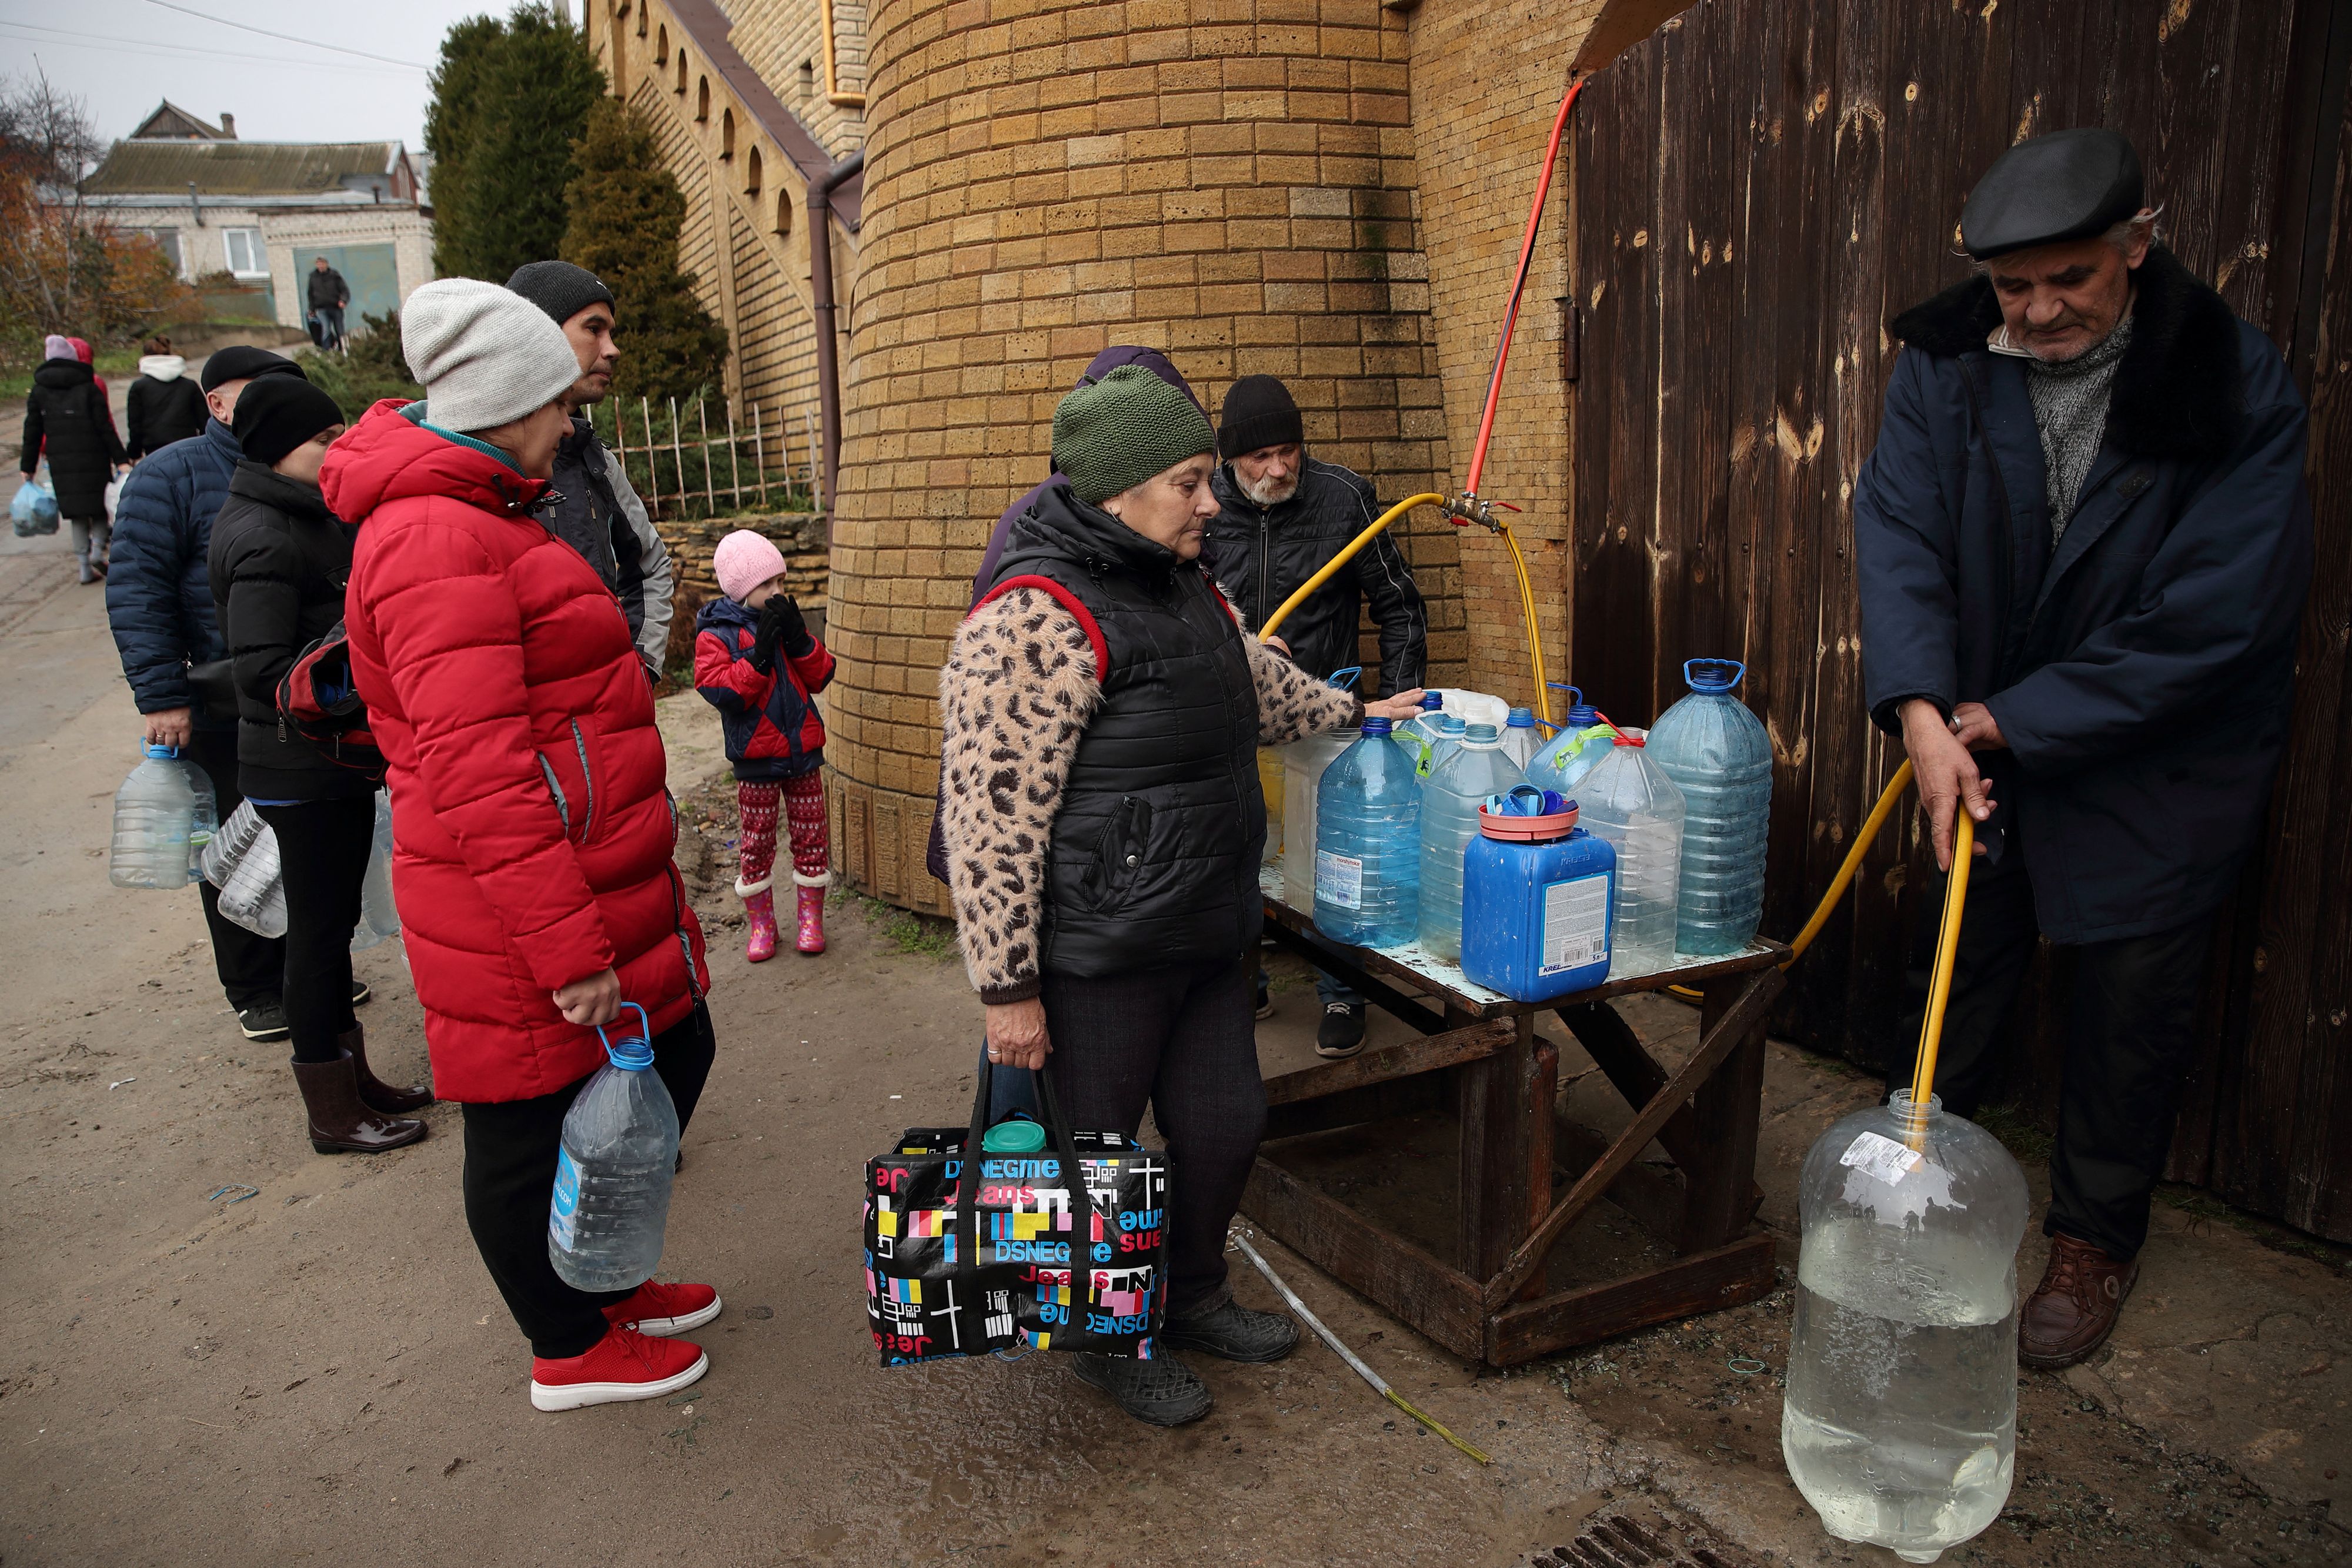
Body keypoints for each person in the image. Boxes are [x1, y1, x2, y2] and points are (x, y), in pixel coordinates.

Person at [1853, 129, 2312, 1370]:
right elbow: (1895, 529)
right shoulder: (1946, 358)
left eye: (2069, 279)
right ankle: (1912, 1177)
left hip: (2154, 752)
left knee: (2128, 1004)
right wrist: (1917, 708)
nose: (2039, 310)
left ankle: (2093, 1237)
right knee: (1953, 954)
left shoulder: (2226, 378)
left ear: (2133, 246)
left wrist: (2008, 716)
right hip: (1971, 732)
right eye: (2014, 286)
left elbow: (2220, 611)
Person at [937, 365, 1428, 1426]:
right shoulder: (1034, 614)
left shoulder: (1184, 584)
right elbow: (989, 822)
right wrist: (1006, 989)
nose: (1214, 503)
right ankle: (1111, 1337)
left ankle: (1193, 1290)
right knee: (1096, 1158)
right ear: (1119, 493)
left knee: (1223, 1124)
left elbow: (1256, 684)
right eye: (1191, 482)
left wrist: (1360, 709)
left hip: (1208, 929)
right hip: (1097, 953)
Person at [324, 278, 717, 1412]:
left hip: (581, 873)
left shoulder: (483, 511)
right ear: (506, 402)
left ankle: (600, 1285)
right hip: (515, 908)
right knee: (522, 1127)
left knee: (655, 1070)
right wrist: (566, 949)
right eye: (554, 402)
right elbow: (480, 769)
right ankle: (566, 1343)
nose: (568, 424)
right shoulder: (434, 537)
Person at [209, 375, 431, 1154]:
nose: (339, 448)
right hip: (297, 766)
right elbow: (263, 670)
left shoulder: (311, 514)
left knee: (331, 928)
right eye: (324, 438)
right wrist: (361, 658)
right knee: (314, 936)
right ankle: (332, 1109)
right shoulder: (263, 533)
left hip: (329, 760)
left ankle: (355, 1077)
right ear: (277, 448)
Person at [1201, 373, 1428, 1057]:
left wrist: (1399, 710)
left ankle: (1341, 993)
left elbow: (1400, 606)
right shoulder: (1202, 504)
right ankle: (1247, 984)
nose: (1276, 469)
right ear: (1229, 459)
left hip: (1332, 710)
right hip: (1238, 715)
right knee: (1238, 852)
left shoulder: (1344, 498)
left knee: (1334, 856)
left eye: (1288, 451)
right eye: (1257, 458)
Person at [108, 344, 313, 1042]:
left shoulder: (309, 468)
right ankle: (256, 986)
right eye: (259, 393)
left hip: (301, 695)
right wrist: (162, 695)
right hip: (220, 701)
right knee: (232, 844)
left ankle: (307, 973)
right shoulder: (171, 476)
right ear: (218, 404)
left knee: (305, 837)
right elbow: (137, 588)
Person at [505, 260, 674, 681]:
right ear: (540, 334)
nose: (612, 348)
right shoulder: (473, 463)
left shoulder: (593, 458)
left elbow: (650, 564)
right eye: (594, 329)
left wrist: (640, 668)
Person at [694, 530, 835, 960]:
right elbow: (722, 691)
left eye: (780, 582)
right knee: (756, 841)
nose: (777, 592)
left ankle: (811, 921)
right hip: (756, 758)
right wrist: (757, 657)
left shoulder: (786, 620)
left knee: (812, 836)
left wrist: (799, 641)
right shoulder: (716, 634)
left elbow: (821, 675)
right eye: (766, 585)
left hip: (802, 753)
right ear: (740, 588)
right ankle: (762, 924)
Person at [20, 332, 126, 583]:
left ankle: (84, 569)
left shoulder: (39, 392)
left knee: (77, 514)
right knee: (100, 508)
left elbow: (32, 431)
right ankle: (98, 550)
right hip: (93, 456)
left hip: (60, 460)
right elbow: (105, 427)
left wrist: (28, 466)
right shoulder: (88, 387)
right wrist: (120, 458)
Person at [126, 336, 208, 461]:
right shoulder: (189, 386)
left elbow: (135, 425)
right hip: (188, 447)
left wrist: (134, 453)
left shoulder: (139, 388)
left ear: (145, 357)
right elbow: (204, 422)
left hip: (154, 451)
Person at [306, 257, 349, 350]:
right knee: (325, 330)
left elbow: (345, 290)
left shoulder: (334, 275)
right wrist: (312, 309)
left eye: (322, 264)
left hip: (336, 307)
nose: (321, 266)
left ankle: (343, 350)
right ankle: (326, 351)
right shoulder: (313, 277)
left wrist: (343, 300)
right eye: (319, 264)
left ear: (327, 264)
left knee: (339, 330)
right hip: (321, 308)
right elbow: (310, 294)